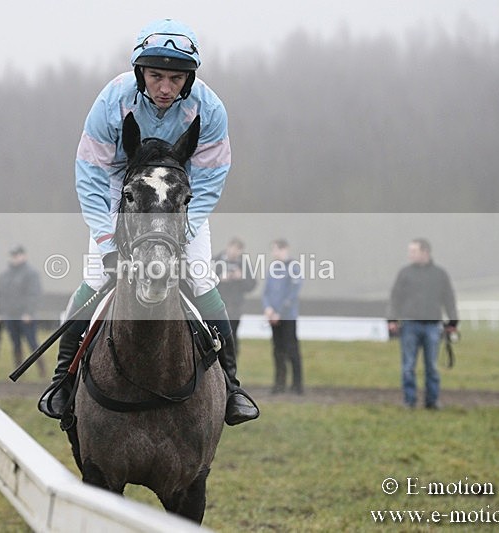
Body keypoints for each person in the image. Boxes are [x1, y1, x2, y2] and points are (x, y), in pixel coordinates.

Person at [38, 18, 259, 426]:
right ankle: (62, 381)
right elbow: (90, 173)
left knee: (201, 278)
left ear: (188, 79)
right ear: (140, 72)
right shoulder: (113, 99)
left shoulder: (209, 109)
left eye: (175, 79)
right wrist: (107, 242)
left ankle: (231, 386)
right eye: (156, 76)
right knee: (94, 281)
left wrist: (179, 230)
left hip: (177, 204)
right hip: (119, 199)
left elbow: (210, 179)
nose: (164, 88)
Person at [387, 238, 458, 409]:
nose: (410, 255)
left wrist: (452, 322)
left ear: (425, 252)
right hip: (409, 325)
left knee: (432, 367)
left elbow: (448, 298)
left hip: (432, 326)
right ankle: (409, 401)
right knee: (408, 366)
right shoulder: (404, 273)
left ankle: (432, 401)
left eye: (413, 251)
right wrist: (392, 319)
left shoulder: (439, 274)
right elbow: (395, 298)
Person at [262, 239, 303, 394]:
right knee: (277, 350)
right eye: (273, 250)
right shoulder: (272, 268)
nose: (274, 253)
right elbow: (266, 292)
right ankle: (279, 384)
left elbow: (292, 294)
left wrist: (279, 312)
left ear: (285, 249)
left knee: (292, 349)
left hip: (287, 317)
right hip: (274, 317)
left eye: (277, 249)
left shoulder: (293, 268)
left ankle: (297, 385)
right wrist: (268, 309)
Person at [0, 245, 45, 377]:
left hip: (26, 316)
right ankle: (18, 371)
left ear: (24, 255)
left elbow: (34, 294)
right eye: (13, 255)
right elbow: (2, 295)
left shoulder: (31, 273)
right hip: (10, 315)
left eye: (17, 255)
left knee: (32, 344)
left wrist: (29, 312)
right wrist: (0, 312)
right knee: (16, 344)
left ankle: (42, 371)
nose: (15, 258)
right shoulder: (5, 275)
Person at [213, 237, 256, 349]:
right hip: (217, 305)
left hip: (235, 307)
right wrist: (220, 279)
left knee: (232, 337)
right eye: (233, 248)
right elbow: (205, 283)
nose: (234, 252)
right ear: (228, 247)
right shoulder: (216, 261)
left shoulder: (244, 263)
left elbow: (251, 285)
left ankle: (232, 363)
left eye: (238, 250)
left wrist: (241, 277)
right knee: (216, 336)